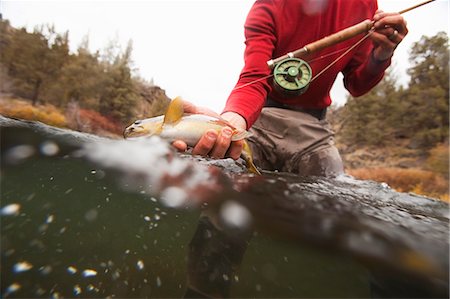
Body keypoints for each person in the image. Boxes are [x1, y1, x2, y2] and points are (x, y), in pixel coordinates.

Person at [174, 0, 408, 177]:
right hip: (259, 121)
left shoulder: (366, 5)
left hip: (314, 131)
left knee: (331, 201)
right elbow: (254, 78)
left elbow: (357, 85)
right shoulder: (268, 5)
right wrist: (227, 126)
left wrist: (382, 55)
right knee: (220, 182)